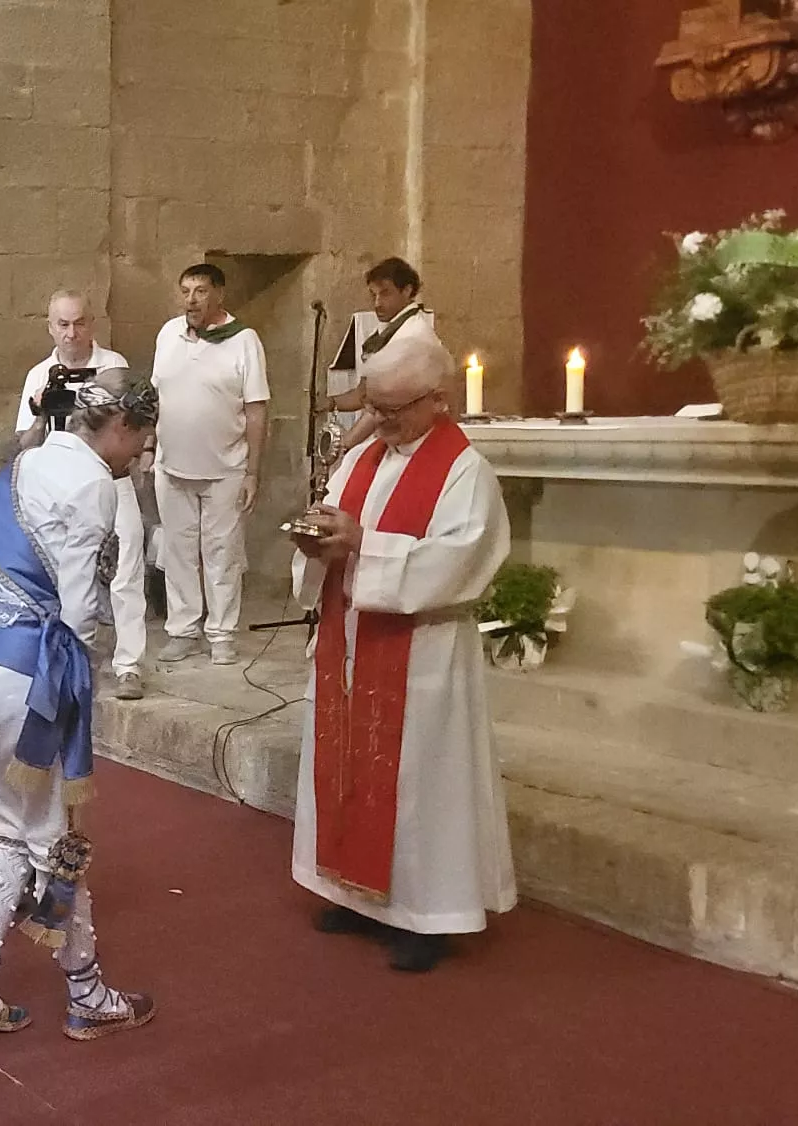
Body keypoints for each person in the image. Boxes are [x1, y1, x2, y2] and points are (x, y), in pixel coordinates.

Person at [0, 368, 156, 1044]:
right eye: (142, 438)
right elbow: (81, 609)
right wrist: (79, 687)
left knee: (11, 827)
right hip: (20, 670)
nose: (142, 453)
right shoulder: (92, 481)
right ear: (120, 426)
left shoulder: (24, 463)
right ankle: (87, 994)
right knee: (57, 839)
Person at [290, 334, 515, 974]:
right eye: (375, 406)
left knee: (420, 783)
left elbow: (460, 560)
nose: (380, 421)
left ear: (437, 399)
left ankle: (425, 917)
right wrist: (316, 543)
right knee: (347, 768)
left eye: (394, 409)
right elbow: (334, 525)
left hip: (423, 650)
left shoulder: (465, 471)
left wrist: (364, 544)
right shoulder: (362, 458)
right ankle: (351, 893)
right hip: (351, 638)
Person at [15, 292, 147, 700]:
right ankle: (65, 656)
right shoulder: (39, 374)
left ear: (92, 323)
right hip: (62, 483)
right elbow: (25, 443)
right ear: (50, 327)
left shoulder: (113, 365)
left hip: (113, 475)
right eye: (63, 324)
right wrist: (42, 413)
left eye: (79, 323)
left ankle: (129, 664)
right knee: (67, 569)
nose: (71, 333)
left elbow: (132, 424)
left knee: (126, 568)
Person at [150, 263, 269, 668]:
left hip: (226, 468)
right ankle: (183, 630)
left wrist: (253, 471)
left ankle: (221, 633)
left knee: (222, 554)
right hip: (172, 466)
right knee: (178, 552)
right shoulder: (169, 334)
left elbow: (256, 409)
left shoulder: (244, 340)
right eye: (185, 291)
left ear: (219, 294)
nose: (191, 300)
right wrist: (149, 446)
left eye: (200, 291)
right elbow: (157, 396)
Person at [325, 258, 442, 456]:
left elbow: (384, 404)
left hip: (410, 442)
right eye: (373, 295)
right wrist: (328, 403)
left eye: (385, 293)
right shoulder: (391, 331)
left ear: (407, 290)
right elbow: (364, 393)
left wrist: (344, 446)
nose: (377, 303)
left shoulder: (412, 337)